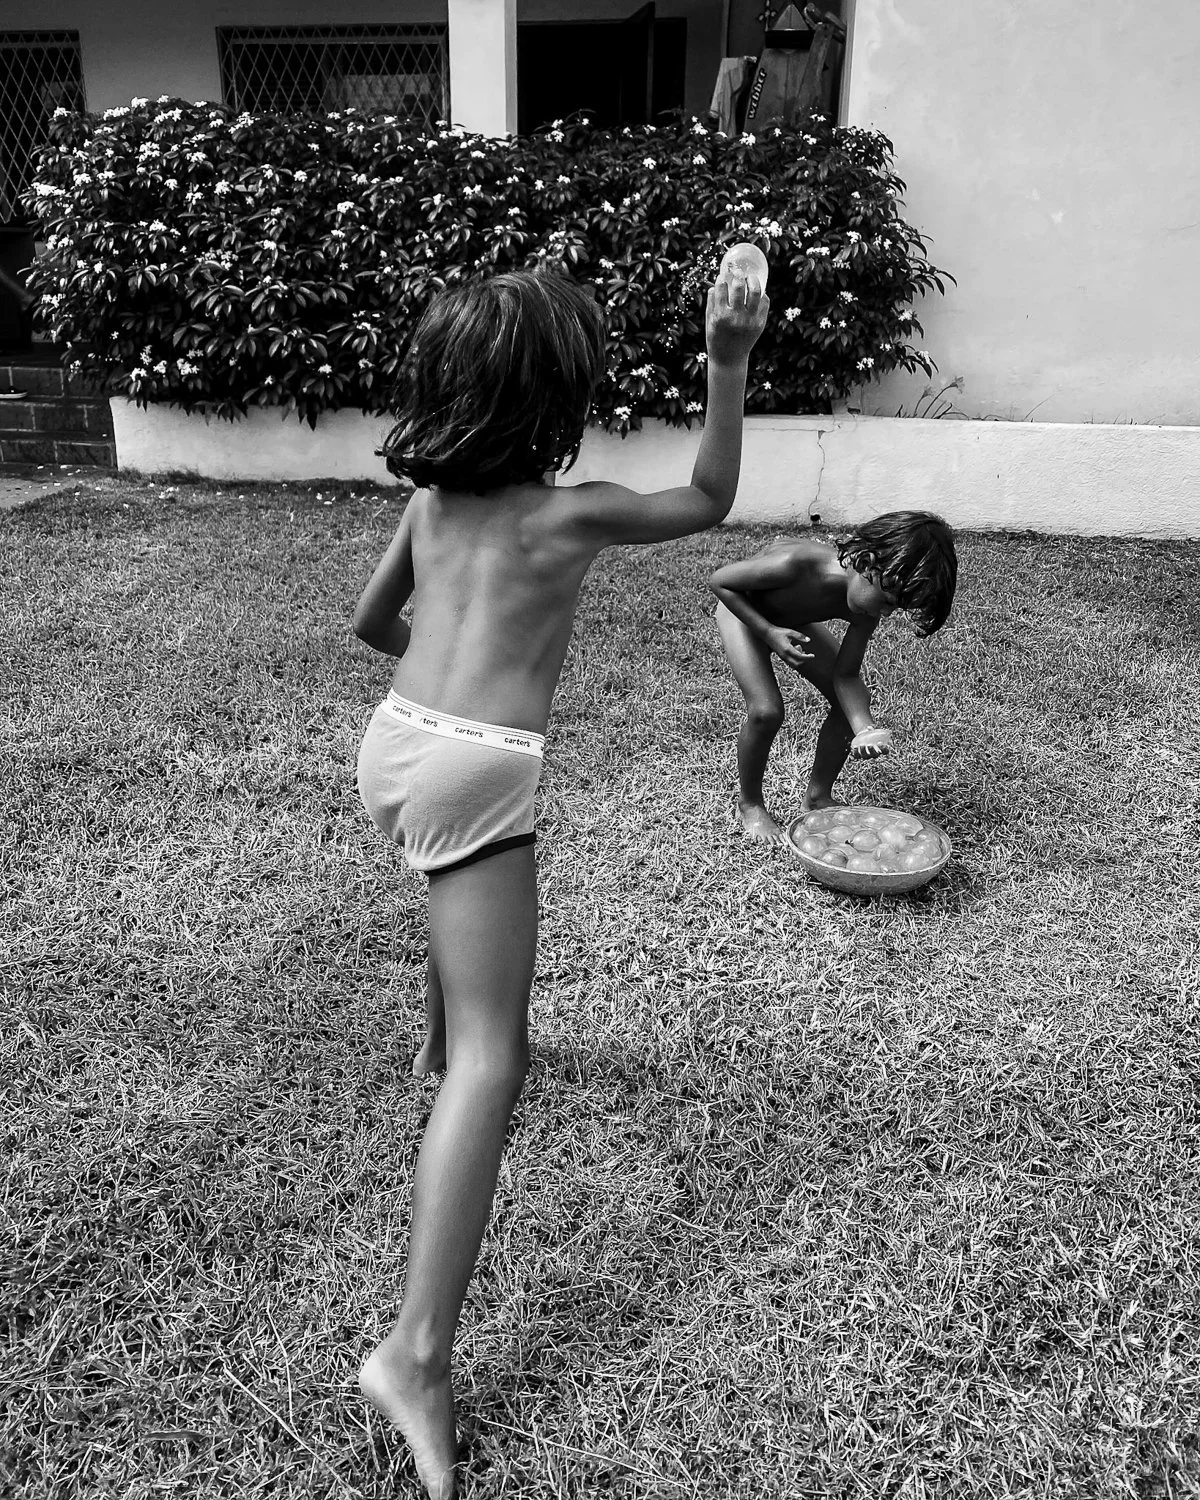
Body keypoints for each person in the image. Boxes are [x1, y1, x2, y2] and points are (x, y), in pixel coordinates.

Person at [350, 263, 768, 1499]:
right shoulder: (569, 515)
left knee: (448, 891)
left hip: (394, 743)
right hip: (478, 770)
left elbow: (375, 625)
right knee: (500, 1060)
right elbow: (708, 496)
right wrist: (727, 359)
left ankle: (431, 1042)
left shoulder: (430, 501)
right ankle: (414, 1357)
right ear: (557, 401)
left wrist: (447, 682)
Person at [707, 511, 957, 842]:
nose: (885, 613)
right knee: (766, 711)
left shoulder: (866, 609)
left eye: (894, 608)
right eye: (886, 602)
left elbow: (846, 676)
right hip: (743, 614)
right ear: (865, 564)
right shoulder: (796, 564)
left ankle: (817, 797)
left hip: (790, 622)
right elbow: (720, 581)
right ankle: (750, 804)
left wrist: (863, 728)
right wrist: (768, 632)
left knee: (847, 704)